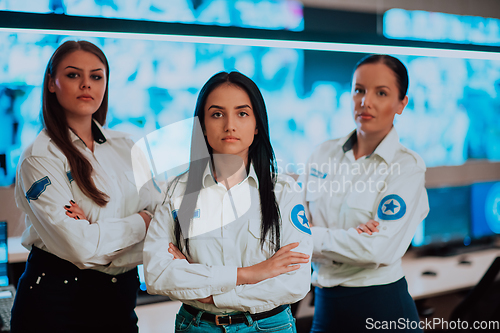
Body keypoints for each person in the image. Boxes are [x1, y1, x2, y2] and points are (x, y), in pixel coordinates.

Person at [143, 71, 312, 332]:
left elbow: (295, 282)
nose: (229, 125)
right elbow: (157, 275)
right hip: (198, 326)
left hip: (268, 326)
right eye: (217, 114)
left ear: (257, 125)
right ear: (202, 125)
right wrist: (251, 274)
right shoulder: (178, 190)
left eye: (242, 113)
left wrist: (211, 293)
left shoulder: (283, 191)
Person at [11, 40, 161, 333]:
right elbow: (80, 248)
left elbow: (164, 220)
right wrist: (142, 221)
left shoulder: (126, 145)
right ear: (52, 83)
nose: (86, 85)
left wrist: (97, 227)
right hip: (57, 306)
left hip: (120, 301)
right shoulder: (40, 156)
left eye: (96, 76)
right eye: (72, 75)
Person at [302, 54, 429, 333]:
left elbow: (377, 249)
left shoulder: (407, 167)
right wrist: (351, 236)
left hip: (382, 306)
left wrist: (310, 236)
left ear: (401, 103)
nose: (365, 101)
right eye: (359, 90)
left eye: (381, 93)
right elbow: (289, 228)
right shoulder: (322, 153)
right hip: (325, 306)